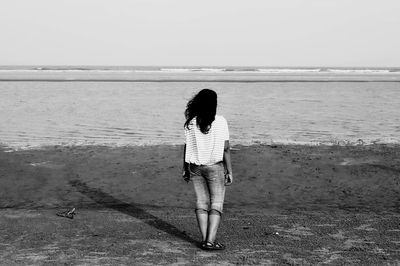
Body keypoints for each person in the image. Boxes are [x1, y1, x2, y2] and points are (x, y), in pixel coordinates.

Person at [182, 89, 233, 251]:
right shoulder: (220, 121)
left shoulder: (191, 122)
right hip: (215, 166)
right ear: (214, 104)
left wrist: (185, 168)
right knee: (216, 204)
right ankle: (210, 241)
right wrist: (229, 170)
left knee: (201, 203)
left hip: (195, 167)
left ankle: (205, 240)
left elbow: (187, 147)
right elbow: (226, 148)